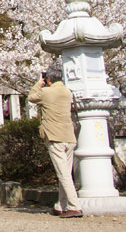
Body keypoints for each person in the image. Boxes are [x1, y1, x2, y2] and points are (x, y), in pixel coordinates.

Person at [29, 67, 82, 218]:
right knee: (65, 173)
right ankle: (61, 205)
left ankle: (74, 206)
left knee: (63, 174)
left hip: (55, 136)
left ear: (49, 79)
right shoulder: (67, 92)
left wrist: (39, 83)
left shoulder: (46, 92)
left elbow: (31, 97)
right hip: (69, 136)